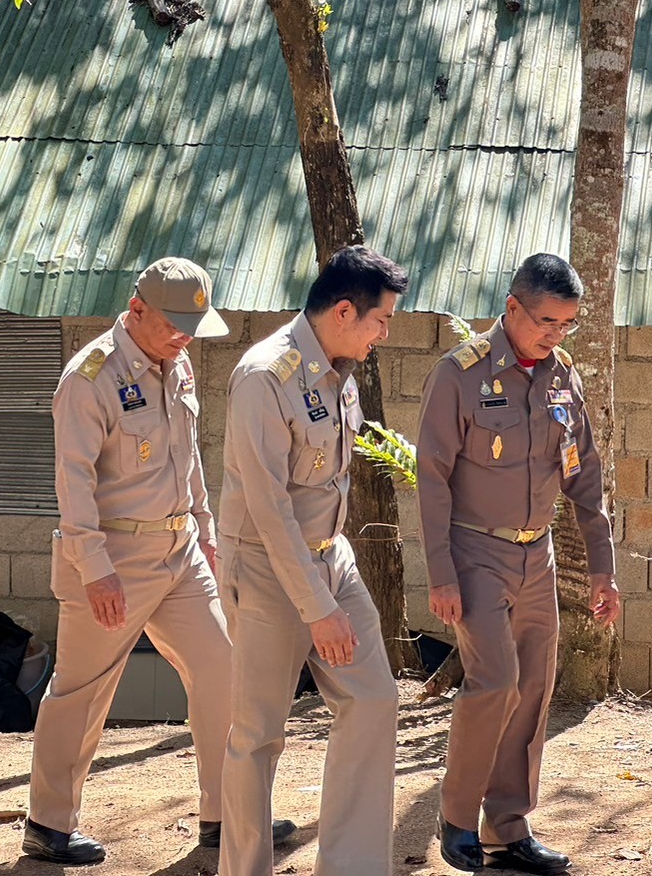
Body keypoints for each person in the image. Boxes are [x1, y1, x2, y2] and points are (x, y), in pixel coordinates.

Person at [23, 258, 294, 866]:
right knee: (83, 692)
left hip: (179, 553)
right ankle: (48, 825)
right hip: (110, 557)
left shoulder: (178, 366)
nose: (186, 335)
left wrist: (204, 531)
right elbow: (73, 483)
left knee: (224, 668)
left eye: (194, 324)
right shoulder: (89, 377)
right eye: (176, 323)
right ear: (137, 308)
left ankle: (225, 817)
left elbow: (187, 457)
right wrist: (94, 568)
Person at [416, 254, 621, 874]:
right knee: (495, 682)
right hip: (474, 551)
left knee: (533, 688)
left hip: (539, 555)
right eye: (545, 322)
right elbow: (431, 477)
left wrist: (604, 571)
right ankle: (456, 819)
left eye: (567, 325)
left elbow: (584, 479)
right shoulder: (460, 374)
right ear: (512, 308)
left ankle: (507, 827)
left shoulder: (562, 378)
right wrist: (441, 574)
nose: (555, 335)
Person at [218, 245, 408, 876]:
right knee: (258, 734)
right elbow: (270, 511)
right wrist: (318, 607)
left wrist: (331, 589)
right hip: (268, 570)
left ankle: (352, 867)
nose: (386, 333)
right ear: (346, 311)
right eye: (381, 320)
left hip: (333, 558)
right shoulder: (264, 376)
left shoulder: (339, 369)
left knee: (375, 700)